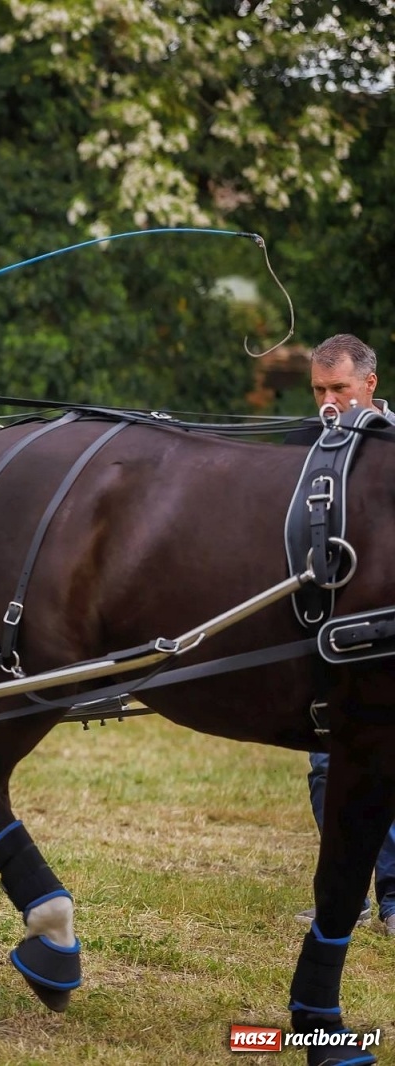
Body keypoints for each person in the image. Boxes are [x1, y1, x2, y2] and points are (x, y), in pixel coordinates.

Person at [287, 333, 395, 935]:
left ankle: (394, 899)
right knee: (328, 769)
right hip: (329, 637)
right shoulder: (308, 450)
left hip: (387, 636)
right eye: (319, 391)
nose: (328, 402)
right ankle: (346, 898)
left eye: (340, 389)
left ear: (370, 384)